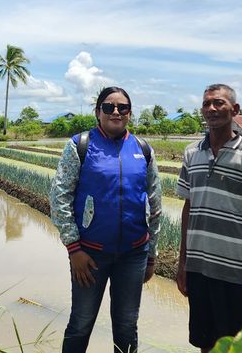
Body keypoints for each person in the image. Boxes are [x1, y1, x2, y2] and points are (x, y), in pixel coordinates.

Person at [49, 86, 163, 353]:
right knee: (81, 322)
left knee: (126, 326)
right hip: (89, 256)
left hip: (133, 255)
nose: (115, 112)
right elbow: (59, 196)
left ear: (129, 113)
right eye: (108, 107)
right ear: (97, 112)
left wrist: (151, 255)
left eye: (122, 107)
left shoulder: (143, 149)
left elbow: (155, 204)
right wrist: (74, 249)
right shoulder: (81, 145)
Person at [175, 84, 242, 352]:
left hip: (236, 273)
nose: (212, 109)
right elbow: (188, 209)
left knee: (239, 344)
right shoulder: (191, 153)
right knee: (205, 342)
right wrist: (182, 262)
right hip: (198, 269)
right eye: (207, 104)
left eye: (219, 103)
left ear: (235, 110)